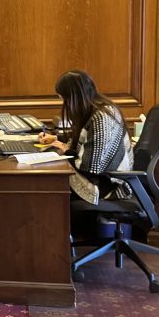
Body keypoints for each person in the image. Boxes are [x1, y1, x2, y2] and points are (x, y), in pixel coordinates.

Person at [39, 70, 133, 211]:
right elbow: (86, 140)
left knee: (46, 184)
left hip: (106, 185)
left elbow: (90, 168)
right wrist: (59, 142)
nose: (64, 104)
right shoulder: (96, 109)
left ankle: (54, 231)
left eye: (63, 99)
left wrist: (64, 152)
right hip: (99, 178)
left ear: (73, 97)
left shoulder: (102, 117)